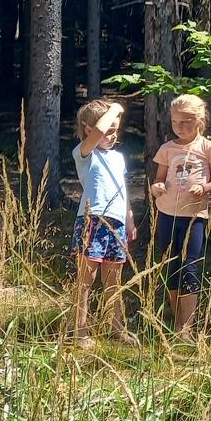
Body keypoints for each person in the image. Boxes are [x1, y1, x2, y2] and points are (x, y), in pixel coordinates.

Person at [150, 94, 211, 338]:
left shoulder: (209, 149)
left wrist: (204, 188)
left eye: (185, 122)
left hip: (194, 217)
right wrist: (156, 187)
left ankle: (187, 326)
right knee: (171, 265)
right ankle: (177, 321)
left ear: (199, 121)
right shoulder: (167, 149)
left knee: (190, 266)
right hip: (167, 214)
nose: (179, 127)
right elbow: (159, 179)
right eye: (175, 122)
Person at [70, 99, 137, 348]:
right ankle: (80, 330)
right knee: (86, 277)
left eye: (116, 130)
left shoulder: (118, 158)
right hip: (93, 219)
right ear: (88, 129)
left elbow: (123, 189)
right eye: (109, 130)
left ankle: (116, 327)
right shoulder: (85, 153)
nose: (112, 135)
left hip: (116, 222)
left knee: (113, 278)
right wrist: (116, 108)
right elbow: (99, 131)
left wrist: (129, 218)